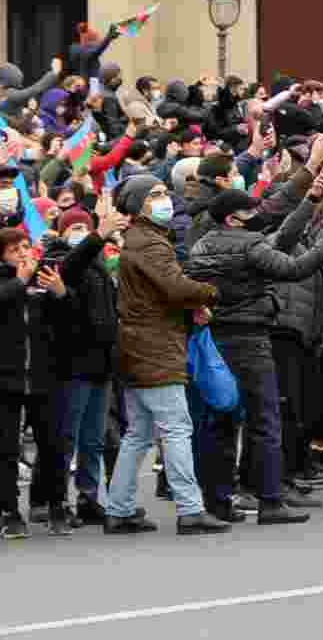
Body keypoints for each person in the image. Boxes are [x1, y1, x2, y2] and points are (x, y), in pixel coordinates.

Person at [185, 185, 323, 525]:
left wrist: (309, 202)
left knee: (221, 421)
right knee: (265, 420)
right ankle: (271, 500)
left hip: (215, 339)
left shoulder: (200, 246)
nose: (257, 217)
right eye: (250, 213)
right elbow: (294, 267)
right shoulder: (249, 245)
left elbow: (278, 240)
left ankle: (217, 501)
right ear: (233, 219)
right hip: (251, 339)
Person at [108, 176, 230, 535]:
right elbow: (175, 286)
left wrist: (191, 304)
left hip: (138, 346)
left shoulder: (140, 239)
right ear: (137, 205)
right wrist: (210, 293)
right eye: (155, 195)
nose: (165, 200)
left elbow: (162, 293)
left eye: (164, 192)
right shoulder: (150, 243)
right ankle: (190, 509)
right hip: (155, 348)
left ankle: (119, 509)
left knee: (139, 434)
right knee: (176, 429)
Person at [0, 225, 73, 538]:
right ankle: (9, 510)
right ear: (2, 255)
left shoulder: (44, 277)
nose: (22, 253)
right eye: (14, 249)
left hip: (46, 376)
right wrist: (19, 281)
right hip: (5, 378)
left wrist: (61, 293)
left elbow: (70, 322)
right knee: (5, 447)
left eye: (25, 246)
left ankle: (57, 504)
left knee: (54, 444)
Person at [49, 204, 129, 526]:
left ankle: (89, 495)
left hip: (101, 363)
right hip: (73, 363)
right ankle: (59, 500)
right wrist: (98, 234)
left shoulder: (99, 265)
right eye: (74, 227)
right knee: (67, 435)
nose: (79, 232)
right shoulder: (58, 260)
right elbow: (71, 268)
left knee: (94, 437)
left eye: (85, 226)